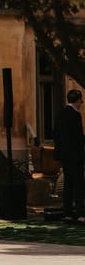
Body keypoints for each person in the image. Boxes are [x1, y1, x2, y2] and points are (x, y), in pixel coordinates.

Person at [53, 87, 85, 222]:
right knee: (78, 184)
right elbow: (78, 137)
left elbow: (56, 134)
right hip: (75, 155)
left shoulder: (60, 113)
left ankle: (67, 212)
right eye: (81, 102)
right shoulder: (75, 115)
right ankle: (80, 213)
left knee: (68, 183)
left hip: (64, 155)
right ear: (78, 100)